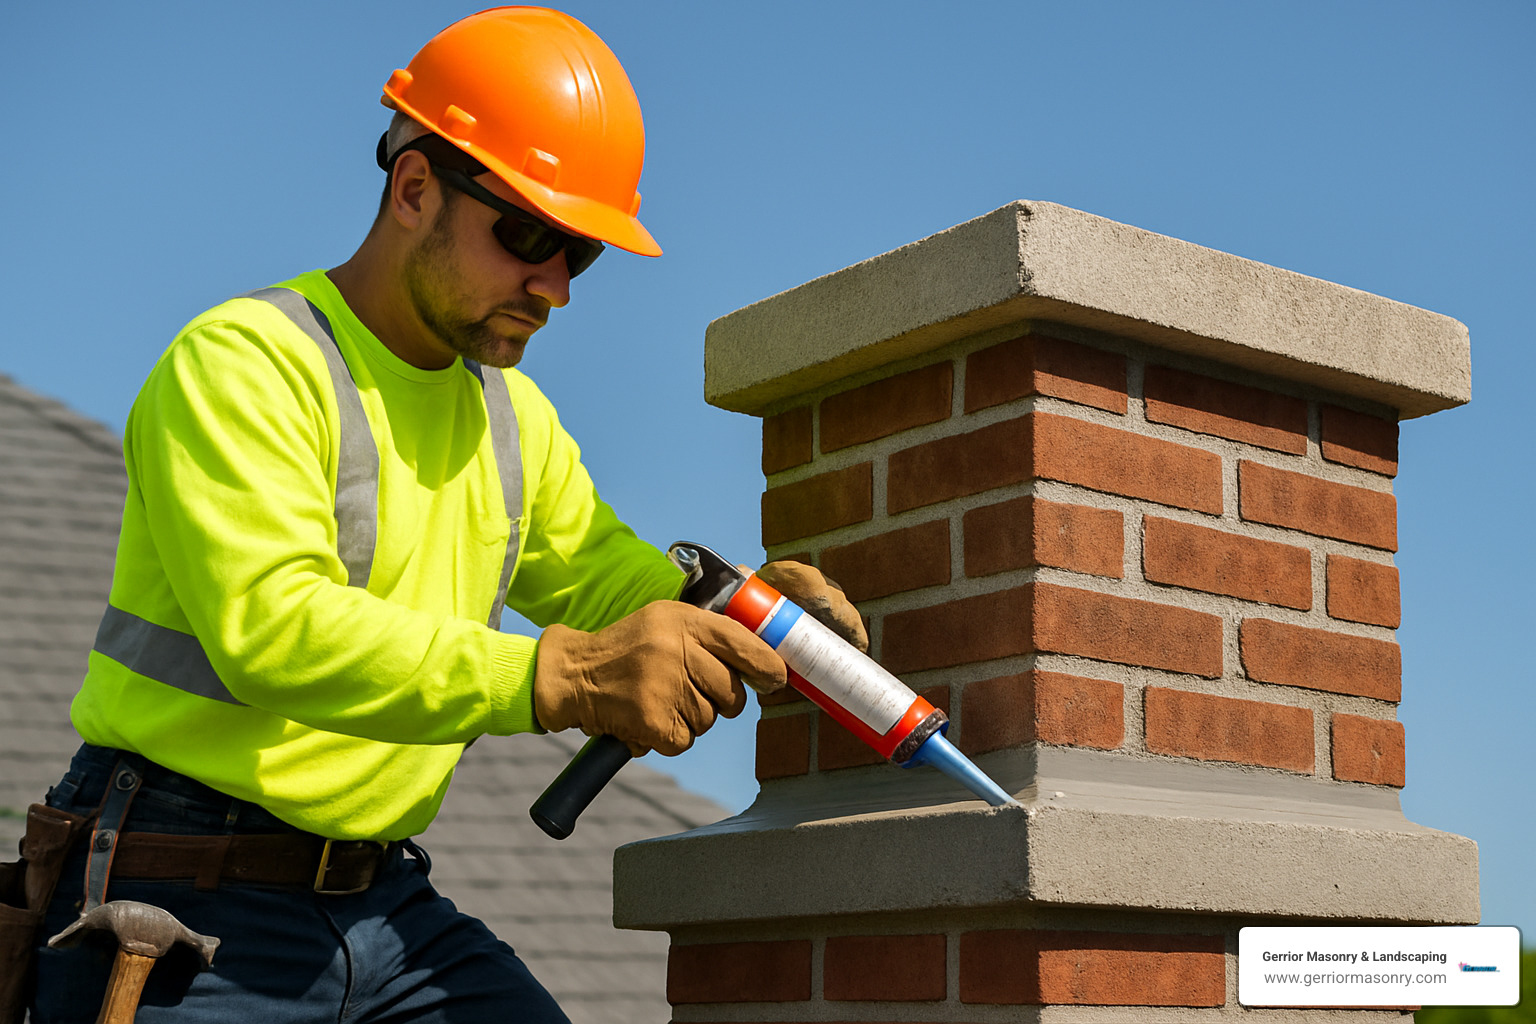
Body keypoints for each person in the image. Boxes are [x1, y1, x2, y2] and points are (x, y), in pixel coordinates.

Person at [29, 8, 864, 1021]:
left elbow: (602, 577)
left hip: (380, 898)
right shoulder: (246, 364)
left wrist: (747, 611)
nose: (554, 286)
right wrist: (566, 675)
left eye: (579, 254)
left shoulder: (513, 417)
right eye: (529, 235)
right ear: (414, 187)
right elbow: (274, 632)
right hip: (180, 885)